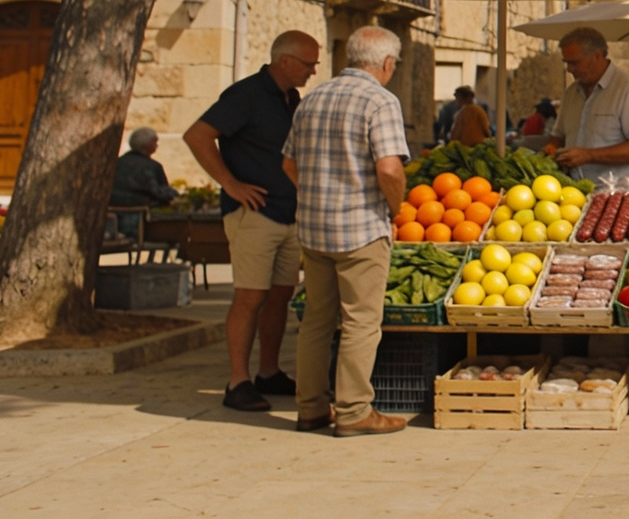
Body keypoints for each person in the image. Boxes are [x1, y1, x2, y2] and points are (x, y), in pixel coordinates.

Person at [284, 26, 410, 437]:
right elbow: (390, 168)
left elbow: (288, 164)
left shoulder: (312, 98)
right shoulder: (380, 100)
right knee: (360, 322)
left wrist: (318, 194)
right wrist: (394, 208)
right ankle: (354, 411)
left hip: (314, 228)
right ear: (387, 63)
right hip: (361, 229)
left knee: (316, 322)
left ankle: (311, 409)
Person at [185, 30, 318, 413]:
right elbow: (197, 135)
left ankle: (268, 371)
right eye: (308, 63)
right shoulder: (244, 95)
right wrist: (231, 184)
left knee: (279, 295)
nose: (313, 70)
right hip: (254, 214)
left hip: (288, 212)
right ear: (285, 61)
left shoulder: (291, 98)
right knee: (250, 296)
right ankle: (237, 380)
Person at [549, 27, 629, 182]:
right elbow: (558, 137)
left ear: (597, 56)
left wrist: (589, 155)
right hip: (575, 192)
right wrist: (552, 148)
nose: (569, 69)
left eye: (575, 63)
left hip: (620, 196)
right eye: (566, 63)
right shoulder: (571, 93)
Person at [110, 127, 178, 237]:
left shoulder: (116, 163)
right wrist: (175, 194)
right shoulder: (153, 166)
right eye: (155, 141)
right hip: (138, 220)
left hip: (111, 218)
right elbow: (161, 192)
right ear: (148, 145)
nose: (157, 145)